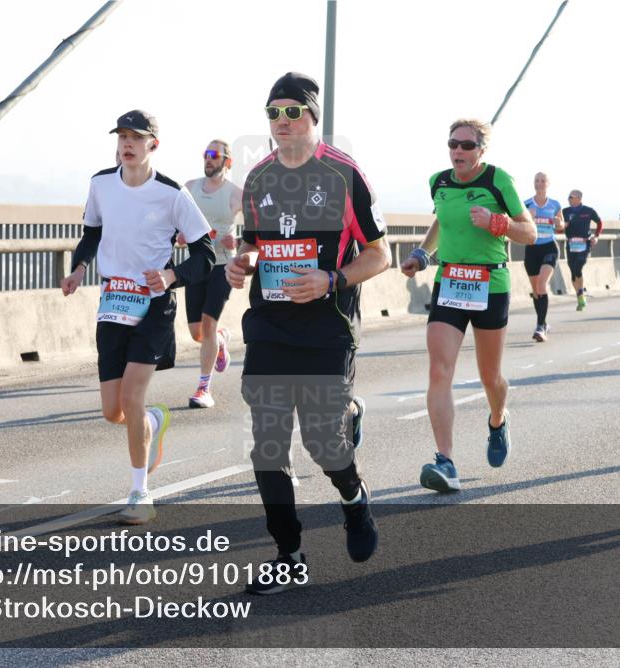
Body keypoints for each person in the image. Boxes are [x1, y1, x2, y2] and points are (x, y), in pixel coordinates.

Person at [227, 72, 388, 594]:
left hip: (327, 328)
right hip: (271, 327)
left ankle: (353, 497)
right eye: (273, 113)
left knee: (324, 444)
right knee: (268, 447)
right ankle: (289, 554)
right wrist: (242, 264)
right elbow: (251, 245)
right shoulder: (257, 180)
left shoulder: (344, 175)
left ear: (314, 116)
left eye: (292, 111)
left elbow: (380, 254)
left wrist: (331, 279)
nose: (281, 122)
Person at [61, 110, 215, 525]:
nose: (126, 143)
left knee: (131, 395)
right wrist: (78, 268)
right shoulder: (101, 184)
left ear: (153, 145)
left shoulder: (172, 194)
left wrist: (171, 275)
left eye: (136, 137)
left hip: (153, 305)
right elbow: (92, 232)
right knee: (114, 411)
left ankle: (139, 492)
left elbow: (206, 255)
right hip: (112, 301)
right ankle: (152, 421)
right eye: (122, 136)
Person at [400, 118, 535, 493]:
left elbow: (530, 231)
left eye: (466, 146)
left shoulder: (498, 180)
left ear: (481, 151)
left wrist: (497, 222)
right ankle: (445, 461)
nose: (457, 151)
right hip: (450, 282)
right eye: (453, 144)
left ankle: (497, 418)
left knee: (490, 376)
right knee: (439, 370)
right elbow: (441, 223)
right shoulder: (439, 183)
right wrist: (421, 255)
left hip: (490, 283)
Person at [180, 140, 243, 408]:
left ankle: (204, 388)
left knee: (207, 325)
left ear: (227, 162)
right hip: (196, 263)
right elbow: (173, 221)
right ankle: (220, 339)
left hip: (222, 266)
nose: (208, 159)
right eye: (206, 154)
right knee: (197, 332)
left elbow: (258, 231)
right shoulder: (190, 188)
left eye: (214, 155)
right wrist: (180, 235)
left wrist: (238, 242)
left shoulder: (236, 193)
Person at [523, 173, 564, 341]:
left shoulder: (554, 204)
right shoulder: (526, 204)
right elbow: (519, 225)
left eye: (542, 181)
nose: (539, 184)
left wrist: (558, 223)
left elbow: (561, 225)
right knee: (536, 291)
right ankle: (544, 323)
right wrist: (529, 218)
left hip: (549, 247)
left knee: (541, 283)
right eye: (536, 181)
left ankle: (540, 327)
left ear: (548, 184)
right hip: (532, 248)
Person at [562, 189, 603, 311]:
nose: (569, 199)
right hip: (571, 245)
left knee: (578, 266)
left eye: (571, 197)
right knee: (573, 272)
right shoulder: (565, 211)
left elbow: (600, 222)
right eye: (568, 197)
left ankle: (580, 293)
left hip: (585, 244)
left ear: (579, 198)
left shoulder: (588, 211)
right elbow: (558, 228)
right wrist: (562, 226)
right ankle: (580, 296)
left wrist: (596, 236)